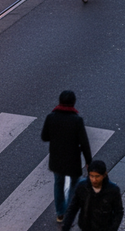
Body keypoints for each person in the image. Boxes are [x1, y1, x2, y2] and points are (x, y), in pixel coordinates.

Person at [41, 89, 92, 225]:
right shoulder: (77, 120)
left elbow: (44, 137)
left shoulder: (51, 117)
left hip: (56, 158)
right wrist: (89, 161)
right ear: (73, 103)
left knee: (59, 183)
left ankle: (60, 213)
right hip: (73, 159)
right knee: (74, 185)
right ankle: (69, 212)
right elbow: (84, 142)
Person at [62, 159, 123, 231]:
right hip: (86, 227)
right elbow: (73, 208)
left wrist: (113, 228)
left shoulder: (112, 190)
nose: (94, 180)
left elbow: (118, 211)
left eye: (97, 176)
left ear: (104, 175)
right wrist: (66, 226)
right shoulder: (83, 187)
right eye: (91, 176)